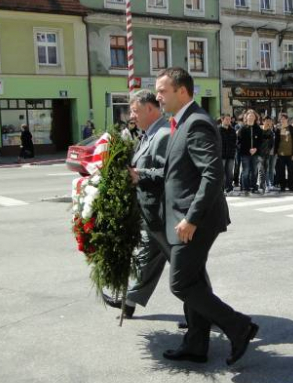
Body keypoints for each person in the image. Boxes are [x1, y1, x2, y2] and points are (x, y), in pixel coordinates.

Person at [155, 67, 258, 365]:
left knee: (181, 283)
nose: (159, 96)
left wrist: (192, 218)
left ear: (182, 91)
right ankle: (197, 344)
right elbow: (178, 170)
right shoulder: (182, 121)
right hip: (185, 216)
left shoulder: (197, 122)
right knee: (195, 280)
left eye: (163, 91)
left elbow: (213, 176)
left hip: (194, 220)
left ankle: (239, 326)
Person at [101, 90, 172, 319]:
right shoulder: (148, 133)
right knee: (148, 257)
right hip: (152, 214)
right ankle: (130, 301)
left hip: (164, 214)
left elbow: (170, 173)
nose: (132, 116)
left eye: (135, 110)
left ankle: (204, 312)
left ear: (150, 109)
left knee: (186, 269)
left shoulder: (163, 134)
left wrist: (139, 174)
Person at [237, 109, 262, 196]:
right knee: (246, 171)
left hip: (255, 153)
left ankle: (254, 187)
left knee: (255, 171)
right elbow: (239, 142)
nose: (251, 117)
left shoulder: (258, 129)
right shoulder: (242, 129)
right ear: (246, 117)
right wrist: (248, 149)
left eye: (253, 116)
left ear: (255, 118)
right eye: (249, 115)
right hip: (245, 154)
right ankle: (245, 188)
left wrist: (256, 149)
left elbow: (261, 142)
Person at [275, 113, 293, 192]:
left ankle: (291, 186)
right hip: (281, 153)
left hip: (290, 154)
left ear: (287, 119)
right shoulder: (278, 129)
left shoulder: (291, 128)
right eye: (281, 119)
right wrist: (276, 152)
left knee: (291, 171)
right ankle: (282, 187)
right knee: (281, 171)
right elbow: (276, 141)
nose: (282, 120)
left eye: (284, 119)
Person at [219, 114, 237, 194]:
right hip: (221, 155)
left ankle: (229, 188)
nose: (228, 121)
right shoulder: (218, 130)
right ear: (222, 120)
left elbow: (235, 142)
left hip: (230, 155)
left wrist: (234, 150)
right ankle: (221, 189)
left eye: (229, 119)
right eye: (226, 119)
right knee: (221, 173)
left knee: (229, 172)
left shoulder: (232, 130)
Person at [258, 117, 276, 193]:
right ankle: (261, 186)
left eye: (269, 121)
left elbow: (271, 144)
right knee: (261, 170)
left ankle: (265, 185)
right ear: (263, 121)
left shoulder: (270, 132)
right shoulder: (259, 131)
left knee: (266, 169)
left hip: (267, 154)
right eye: (267, 121)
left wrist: (268, 150)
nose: (268, 123)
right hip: (259, 154)